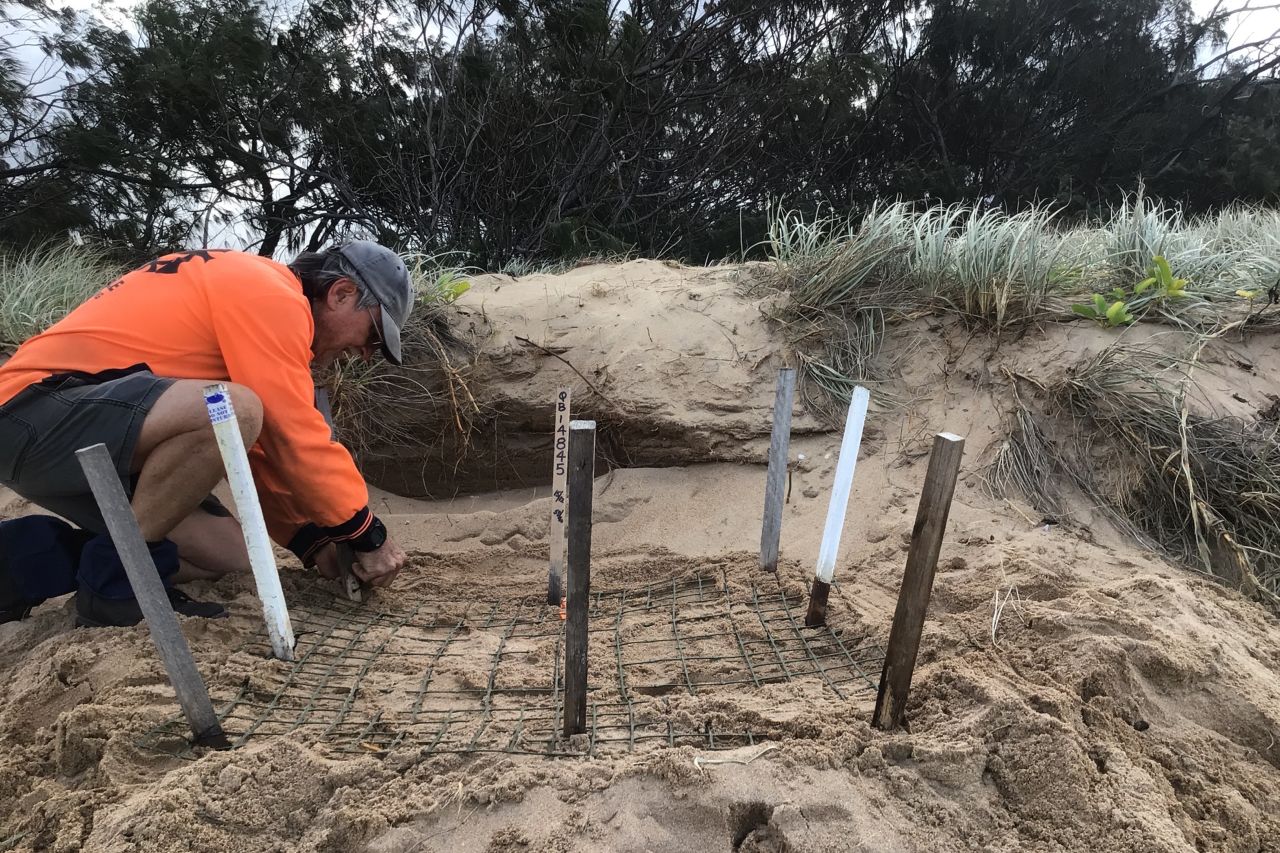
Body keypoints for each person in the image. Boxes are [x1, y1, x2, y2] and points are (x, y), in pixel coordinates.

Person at [0, 241, 412, 627]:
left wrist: (311, 539)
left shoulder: (254, 296)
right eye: (373, 335)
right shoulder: (270, 293)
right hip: (30, 411)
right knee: (230, 407)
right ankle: (114, 586)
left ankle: (19, 562)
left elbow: (258, 446)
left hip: (80, 432)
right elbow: (290, 434)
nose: (364, 353)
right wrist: (364, 532)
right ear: (341, 294)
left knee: (228, 554)